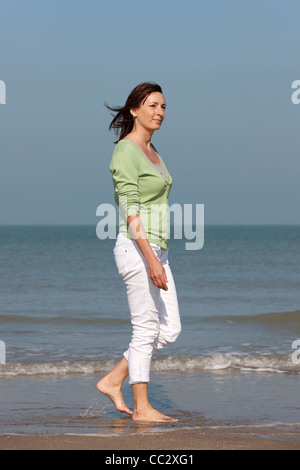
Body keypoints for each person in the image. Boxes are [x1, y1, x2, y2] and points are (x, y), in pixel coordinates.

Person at [97, 82, 181, 423]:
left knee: (169, 329)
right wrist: (149, 259)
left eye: (163, 106)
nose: (159, 112)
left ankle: (114, 379)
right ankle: (142, 409)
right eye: (152, 105)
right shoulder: (126, 151)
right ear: (134, 110)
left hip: (158, 249)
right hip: (136, 248)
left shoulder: (154, 151)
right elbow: (130, 210)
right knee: (145, 329)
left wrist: (157, 257)